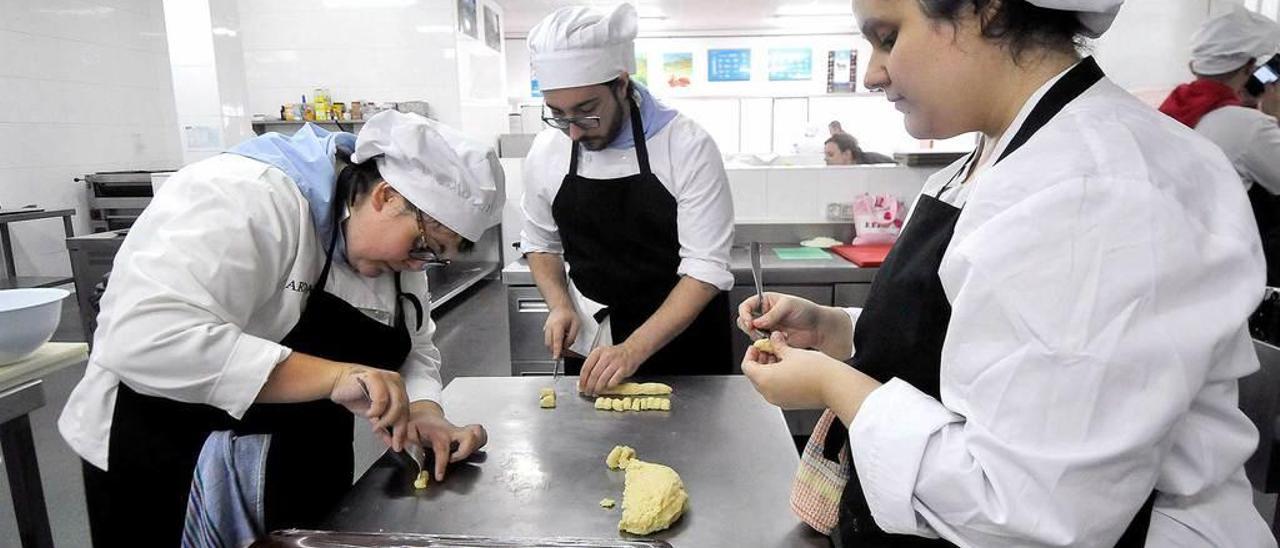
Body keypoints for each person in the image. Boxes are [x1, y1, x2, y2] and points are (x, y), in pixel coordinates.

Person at [738, 0, 1274, 545]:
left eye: (887, 37)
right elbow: (991, 342)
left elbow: (1025, 511)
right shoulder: (991, 161)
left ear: (986, 11)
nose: (873, 73)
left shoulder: (1095, 188)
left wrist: (832, 384)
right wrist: (839, 330)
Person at [58, 111, 501, 546]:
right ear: (386, 197)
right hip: (169, 460)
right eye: (423, 246)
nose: (417, 263)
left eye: (433, 255)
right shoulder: (245, 195)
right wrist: (333, 377)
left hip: (301, 460)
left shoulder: (396, 254)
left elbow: (414, 346)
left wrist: (424, 409)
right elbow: (144, 338)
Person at [521, 3, 736, 395]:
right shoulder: (546, 151)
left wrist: (633, 349)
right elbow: (540, 244)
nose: (573, 132)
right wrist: (559, 304)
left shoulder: (686, 146)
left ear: (622, 84)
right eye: (558, 114)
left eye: (587, 112)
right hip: (594, 343)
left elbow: (705, 269)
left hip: (687, 344)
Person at [1159, 6, 1280, 286]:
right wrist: (1274, 115)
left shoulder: (1175, 106)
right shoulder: (1248, 125)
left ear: (1194, 66)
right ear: (1251, 68)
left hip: (1186, 260)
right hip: (1241, 269)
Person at [824, 132, 896, 165]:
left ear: (847, 154)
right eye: (825, 155)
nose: (825, 159)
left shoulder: (875, 163)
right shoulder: (835, 173)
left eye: (830, 155)